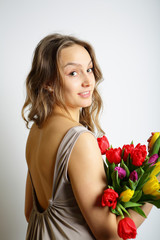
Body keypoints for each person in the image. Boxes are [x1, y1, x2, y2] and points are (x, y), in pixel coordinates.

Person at [22, 33, 153, 240]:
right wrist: (152, 184)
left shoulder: (36, 131)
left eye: (89, 69)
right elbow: (110, 236)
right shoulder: (79, 140)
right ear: (48, 82)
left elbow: (30, 213)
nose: (87, 81)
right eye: (73, 73)